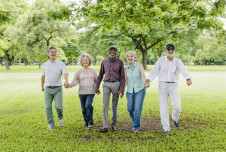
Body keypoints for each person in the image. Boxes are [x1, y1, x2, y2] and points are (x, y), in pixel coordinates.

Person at [146, 44, 192, 134]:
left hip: (173, 85)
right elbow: (154, 70)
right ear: (165, 50)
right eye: (168, 49)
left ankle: (175, 118)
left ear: (174, 50)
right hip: (162, 85)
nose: (170, 51)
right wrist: (148, 80)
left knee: (177, 106)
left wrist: (188, 79)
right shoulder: (161, 60)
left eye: (172, 49)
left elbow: (184, 70)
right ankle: (166, 128)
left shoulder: (178, 61)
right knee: (163, 107)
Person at [95, 45, 125, 133]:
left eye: (114, 50)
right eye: (111, 50)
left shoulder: (120, 62)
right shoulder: (104, 62)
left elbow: (122, 77)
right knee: (105, 105)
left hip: (116, 84)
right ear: (108, 51)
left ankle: (113, 124)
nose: (112, 52)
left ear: (116, 52)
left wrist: (122, 89)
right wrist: (97, 86)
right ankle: (105, 126)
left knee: (114, 106)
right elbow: (100, 75)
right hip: (106, 84)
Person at [66, 53, 97, 128]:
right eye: (83, 60)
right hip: (82, 92)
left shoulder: (93, 71)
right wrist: (69, 85)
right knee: (83, 109)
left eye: (86, 60)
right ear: (81, 62)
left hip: (91, 92)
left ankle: (90, 122)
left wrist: (97, 89)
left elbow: (97, 81)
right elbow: (75, 81)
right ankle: (87, 122)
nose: (85, 61)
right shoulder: (79, 72)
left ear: (89, 61)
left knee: (88, 105)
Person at [41, 47, 69, 130]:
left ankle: (60, 118)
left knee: (58, 107)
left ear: (56, 54)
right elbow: (43, 76)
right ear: (48, 54)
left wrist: (66, 81)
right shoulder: (45, 64)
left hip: (58, 89)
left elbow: (65, 73)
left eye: (54, 52)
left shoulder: (61, 64)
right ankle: (51, 124)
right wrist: (42, 85)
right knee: (47, 107)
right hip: (47, 89)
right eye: (51, 52)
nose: (53, 53)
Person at [125, 51, 148, 133]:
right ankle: (135, 121)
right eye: (128, 56)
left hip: (140, 90)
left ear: (135, 58)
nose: (130, 57)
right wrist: (121, 90)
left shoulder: (139, 65)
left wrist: (145, 82)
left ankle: (136, 126)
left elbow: (142, 75)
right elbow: (126, 81)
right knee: (130, 108)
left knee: (137, 109)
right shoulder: (126, 68)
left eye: (132, 56)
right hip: (129, 91)